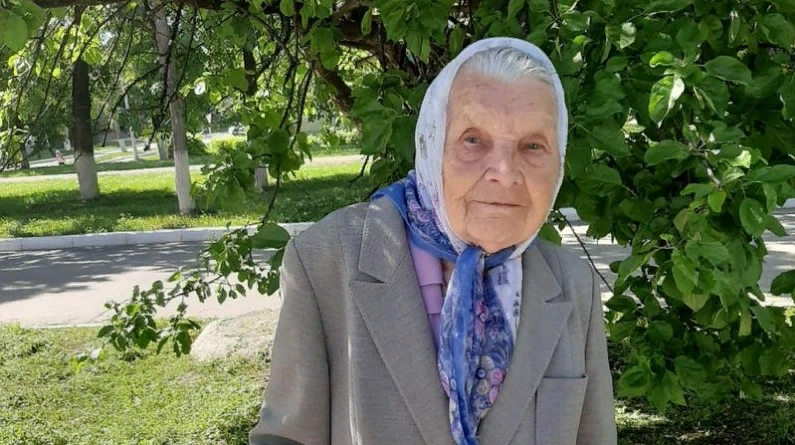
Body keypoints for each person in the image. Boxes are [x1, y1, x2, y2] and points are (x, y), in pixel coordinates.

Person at [249, 37, 617, 445]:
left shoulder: (573, 284)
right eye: (473, 140)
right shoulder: (325, 260)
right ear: (431, 145)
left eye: (533, 146)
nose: (505, 172)